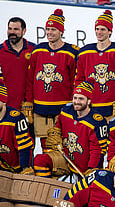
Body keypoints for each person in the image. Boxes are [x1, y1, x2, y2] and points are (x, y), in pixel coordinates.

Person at [25, 9, 79, 148]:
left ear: (61, 32)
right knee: (46, 148)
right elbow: (30, 80)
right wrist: (29, 102)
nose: (49, 32)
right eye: (47, 29)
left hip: (63, 109)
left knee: (65, 146)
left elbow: (76, 82)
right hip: (40, 109)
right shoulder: (38, 50)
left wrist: (74, 106)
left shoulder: (72, 52)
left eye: (53, 29)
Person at [33, 78, 107, 178]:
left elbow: (98, 150)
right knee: (40, 160)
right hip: (65, 158)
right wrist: (55, 137)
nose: (76, 102)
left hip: (85, 167)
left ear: (89, 101)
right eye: (75, 98)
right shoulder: (66, 110)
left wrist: (91, 169)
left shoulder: (97, 121)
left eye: (81, 99)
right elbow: (57, 129)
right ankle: (46, 191)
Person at [75, 10, 115, 119]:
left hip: (113, 107)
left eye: (103, 29)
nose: (99, 32)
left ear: (110, 31)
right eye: (97, 29)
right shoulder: (84, 52)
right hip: (91, 107)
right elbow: (79, 79)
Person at [0, 17, 36, 111]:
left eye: (16, 29)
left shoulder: (34, 50)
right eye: (10, 29)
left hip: (29, 108)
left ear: (24, 31)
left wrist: (30, 102)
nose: (12, 32)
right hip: (5, 108)